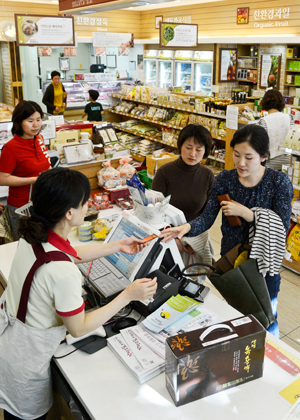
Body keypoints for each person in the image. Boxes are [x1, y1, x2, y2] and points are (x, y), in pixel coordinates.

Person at [0, 167, 157, 420]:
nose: (87, 207)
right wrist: (128, 295)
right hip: (27, 364)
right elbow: (78, 328)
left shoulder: (32, 237)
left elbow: (67, 253)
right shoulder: (62, 272)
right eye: (84, 202)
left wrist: (117, 245)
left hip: (10, 343)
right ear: (70, 212)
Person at [160, 124, 294, 338]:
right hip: (231, 260)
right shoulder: (225, 179)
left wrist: (248, 214)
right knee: (238, 313)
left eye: (248, 157)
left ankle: (270, 353)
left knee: (267, 316)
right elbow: (207, 217)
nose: (241, 163)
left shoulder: (279, 182)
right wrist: (187, 227)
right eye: (237, 155)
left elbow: (281, 228)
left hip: (264, 265)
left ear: (263, 156)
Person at [152, 124, 215, 265]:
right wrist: (174, 240)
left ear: (205, 151)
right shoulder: (164, 172)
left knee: (194, 282)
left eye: (198, 149)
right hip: (166, 237)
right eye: (188, 147)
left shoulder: (208, 175)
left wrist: (193, 241)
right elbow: (154, 212)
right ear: (180, 146)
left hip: (196, 237)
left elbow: (207, 215)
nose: (192, 154)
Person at [0, 101, 51, 241]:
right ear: (19, 122)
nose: (36, 125)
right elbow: (2, 178)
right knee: (25, 248)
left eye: (39, 119)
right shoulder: (11, 148)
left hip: (41, 203)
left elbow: (46, 165)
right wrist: (33, 180)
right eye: (30, 121)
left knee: (42, 246)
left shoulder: (39, 139)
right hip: (21, 208)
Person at [257, 89, 294, 170]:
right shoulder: (290, 118)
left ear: (264, 102)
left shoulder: (263, 121)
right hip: (288, 161)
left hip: (270, 162)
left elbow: (261, 144)